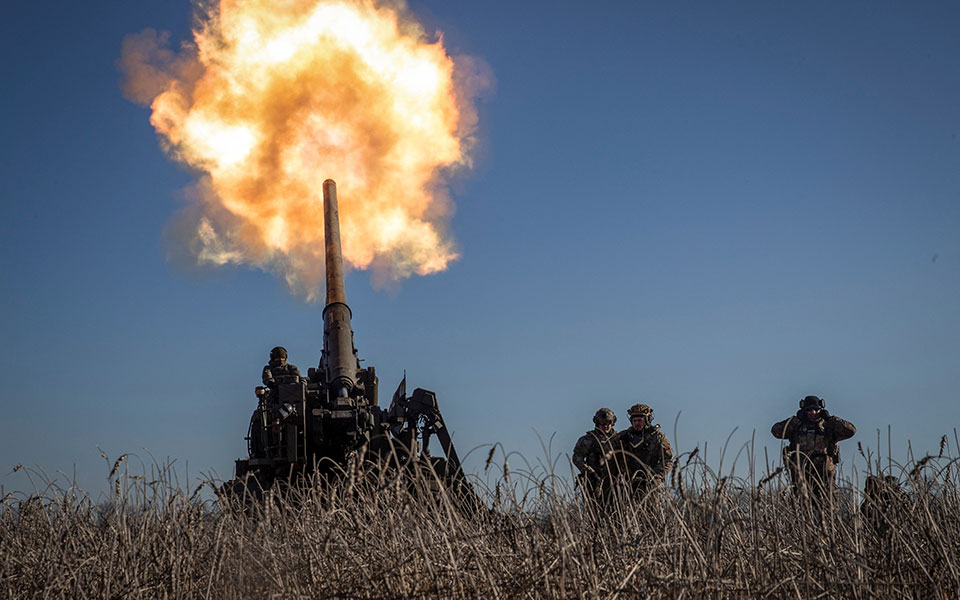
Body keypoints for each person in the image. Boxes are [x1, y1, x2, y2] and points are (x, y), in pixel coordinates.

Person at [771, 395, 856, 497]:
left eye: (816, 410)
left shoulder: (828, 425)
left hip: (825, 475)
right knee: (800, 505)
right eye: (809, 410)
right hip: (801, 473)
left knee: (828, 506)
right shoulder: (797, 426)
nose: (813, 413)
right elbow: (776, 431)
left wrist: (831, 419)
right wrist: (793, 421)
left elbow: (851, 431)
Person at [609, 403, 674, 496]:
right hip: (626, 484)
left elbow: (668, 459)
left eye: (639, 420)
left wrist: (655, 475)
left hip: (650, 484)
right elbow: (607, 453)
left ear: (647, 420)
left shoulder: (657, 437)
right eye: (634, 421)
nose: (637, 424)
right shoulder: (622, 436)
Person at [573, 408, 618, 500]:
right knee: (593, 511)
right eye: (602, 423)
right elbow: (577, 458)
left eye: (608, 423)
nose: (605, 426)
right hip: (594, 483)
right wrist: (591, 473)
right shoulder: (589, 439)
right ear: (597, 423)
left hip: (615, 482)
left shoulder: (619, 438)